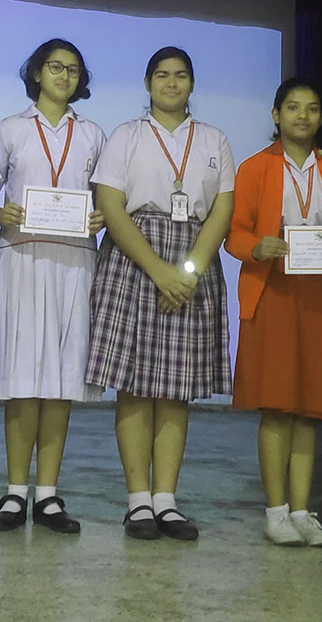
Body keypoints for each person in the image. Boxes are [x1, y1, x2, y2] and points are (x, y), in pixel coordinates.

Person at [87, 46, 236, 542]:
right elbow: (110, 204)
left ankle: (167, 500)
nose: (171, 83)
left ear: (192, 84)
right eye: (162, 75)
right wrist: (158, 271)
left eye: (181, 76)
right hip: (135, 260)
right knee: (133, 385)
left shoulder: (214, 139)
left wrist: (188, 273)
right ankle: (137, 502)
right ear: (147, 83)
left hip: (191, 262)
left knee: (177, 390)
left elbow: (220, 210)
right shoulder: (126, 136)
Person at [224, 77, 322, 547]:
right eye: (292, 107)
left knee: (310, 410)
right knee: (276, 407)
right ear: (275, 116)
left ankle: (304, 511)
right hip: (274, 294)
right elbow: (235, 236)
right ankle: (275, 511)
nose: (302, 116)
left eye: (311, 109)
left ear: (321, 118)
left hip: (321, 298)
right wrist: (257, 246)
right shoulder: (254, 169)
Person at [0, 39, 108, 534]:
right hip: (22, 260)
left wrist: (98, 216)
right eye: (55, 67)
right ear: (35, 73)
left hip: (75, 263)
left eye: (73, 70)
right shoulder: (10, 130)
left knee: (61, 383)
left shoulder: (94, 134)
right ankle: (15, 493)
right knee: (21, 381)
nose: (64, 76)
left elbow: (105, 200)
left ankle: (49, 495)